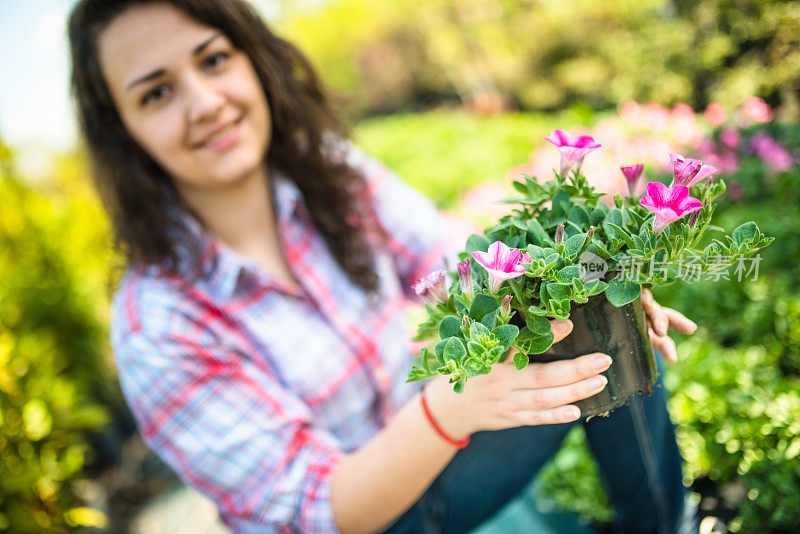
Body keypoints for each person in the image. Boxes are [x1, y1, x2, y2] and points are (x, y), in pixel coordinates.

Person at [68, 0, 699, 532]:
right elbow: (322, 509)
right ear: (122, 131)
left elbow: (452, 262)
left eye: (213, 59)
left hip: (434, 447)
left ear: (252, 59)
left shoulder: (328, 172)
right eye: (156, 92)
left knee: (598, 305)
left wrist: (582, 294)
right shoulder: (158, 325)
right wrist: (447, 410)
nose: (204, 102)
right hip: (365, 515)